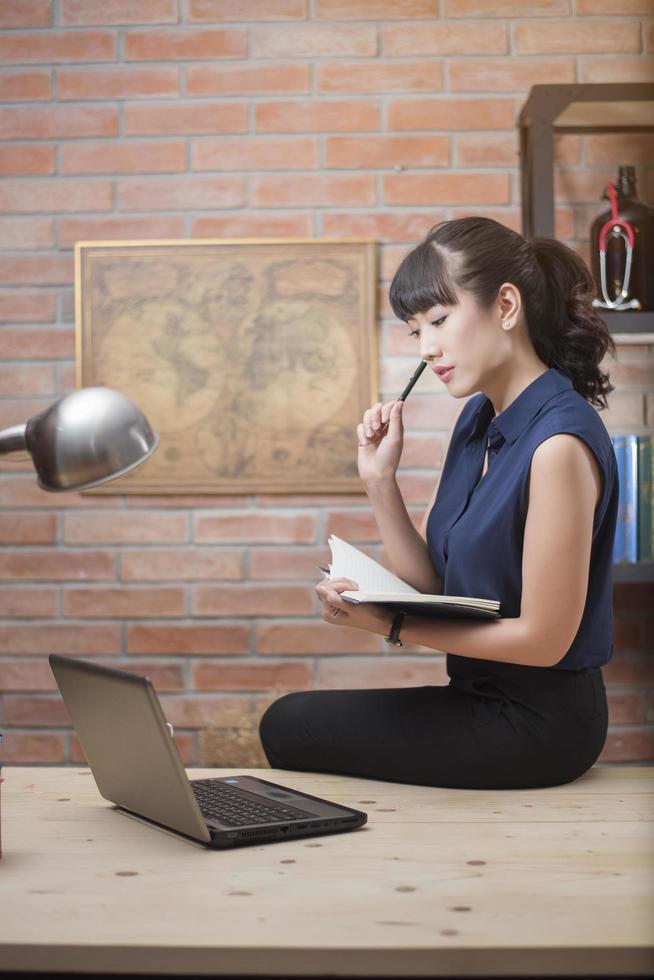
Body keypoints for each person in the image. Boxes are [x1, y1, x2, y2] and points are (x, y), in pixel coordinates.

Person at [259, 217, 618, 790]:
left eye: (440, 321)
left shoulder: (558, 445)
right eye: (414, 331)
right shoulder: (478, 419)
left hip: (542, 725)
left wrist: (392, 623)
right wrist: (380, 483)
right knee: (287, 723)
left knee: (290, 726)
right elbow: (433, 588)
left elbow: (546, 641)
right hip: (476, 697)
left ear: (505, 306)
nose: (427, 350)